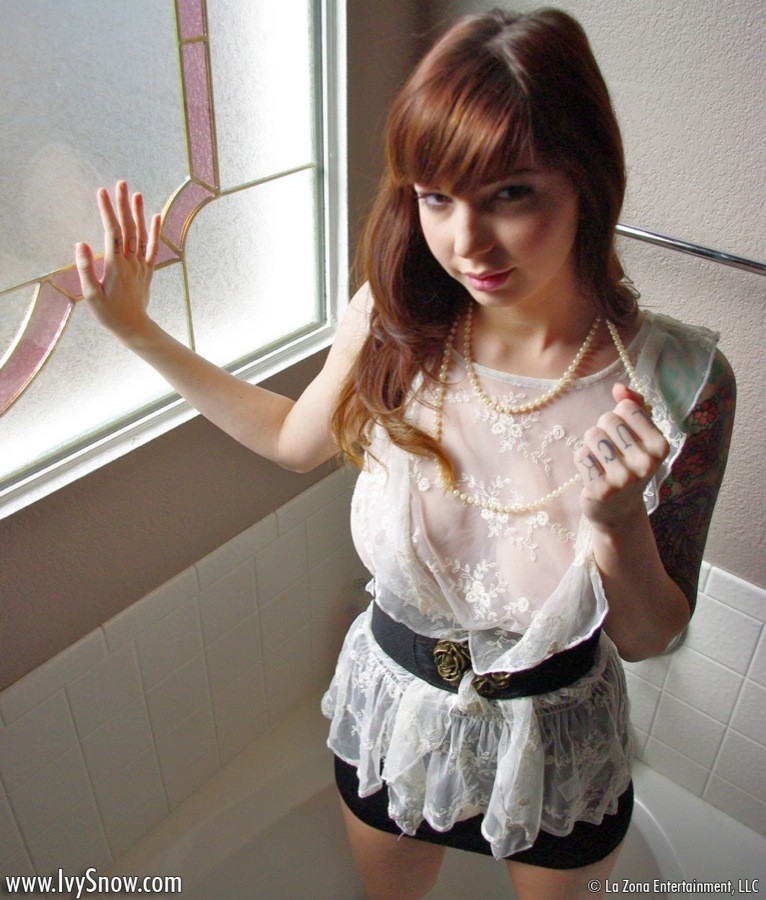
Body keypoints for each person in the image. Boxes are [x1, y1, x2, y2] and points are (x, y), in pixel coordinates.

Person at [74, 8, 735, 899]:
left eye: (511, 193)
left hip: (558, 745)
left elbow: (650, 637)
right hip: (393, 719)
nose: (465, 243)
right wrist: (137, 331)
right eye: (436, 198)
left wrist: (618, 522)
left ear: (587, 179)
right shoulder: (396, 324)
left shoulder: (682, 381)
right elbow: (291, 441)